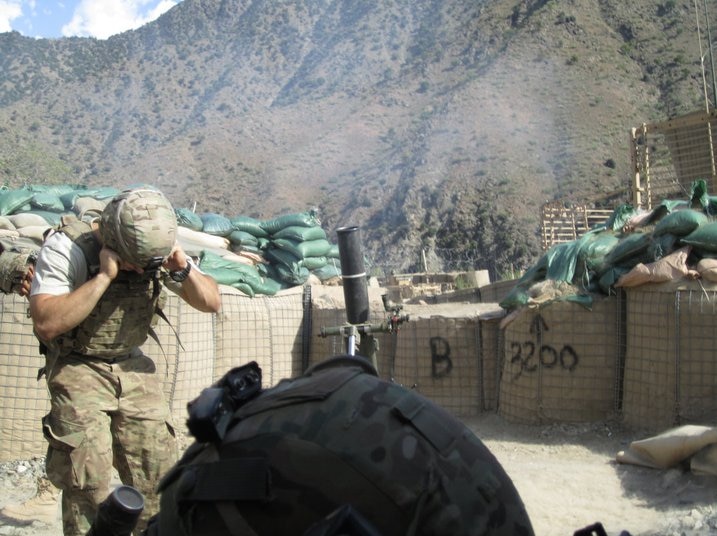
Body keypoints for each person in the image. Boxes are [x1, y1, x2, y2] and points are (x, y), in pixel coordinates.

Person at [28, 187, 221, 536]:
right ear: (112, 240)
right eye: (133, 261)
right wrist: (104, 277)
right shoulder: (68, 248)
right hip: (79, 366)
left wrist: (182, 270)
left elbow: (211, 302)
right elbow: (46, 322)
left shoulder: (157, 251)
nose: (139, 270)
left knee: (159, 475)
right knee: (88, 482)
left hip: (133, 367)